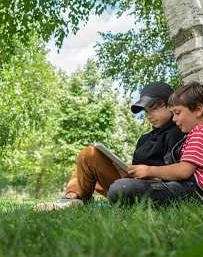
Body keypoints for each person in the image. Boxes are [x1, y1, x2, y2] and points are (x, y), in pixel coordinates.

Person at [33, 81, 185, 211]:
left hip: (153, 189)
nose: (149, 115)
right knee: (88, 158)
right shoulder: (145, 139)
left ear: (170, 105)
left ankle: (74, 200)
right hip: (130, 183)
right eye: (146, 111)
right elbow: (136, 170)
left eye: (154, 109)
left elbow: (178, 175)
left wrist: (147, 174)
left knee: (89, 156)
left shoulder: (177, 133)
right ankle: (71, 198)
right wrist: (126, 171)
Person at [108, 81, 203, 205]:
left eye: (177, 113)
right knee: (122, 187)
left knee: (122, 188)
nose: (174, 118)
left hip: (193, 191)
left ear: (198, 110)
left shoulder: (202, 132)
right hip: (188, 188)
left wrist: (149, 171)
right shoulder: (201, 133)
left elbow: (184, 171)